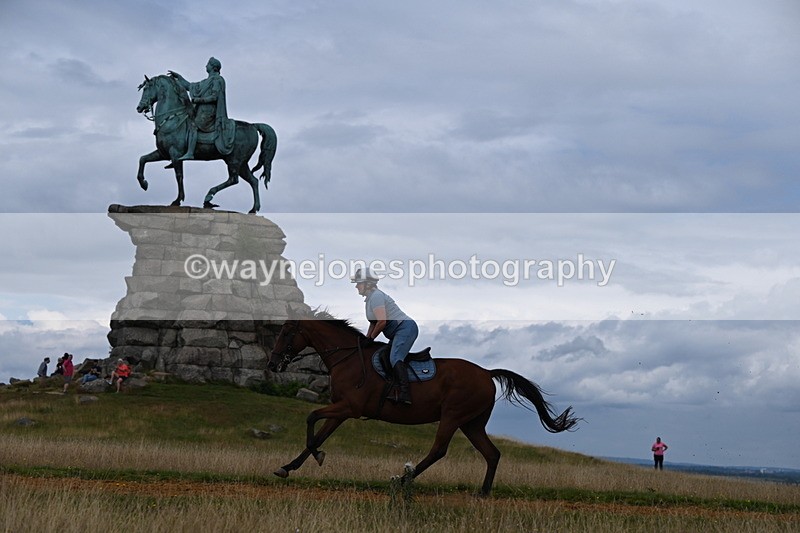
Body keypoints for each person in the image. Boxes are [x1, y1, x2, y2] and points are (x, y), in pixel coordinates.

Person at [352, 267, 418, 405]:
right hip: (399, 331)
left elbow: (382, 322)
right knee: (383, 356)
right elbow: (373, 323)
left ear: (368, 284)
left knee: (395, 358)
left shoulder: (376, 296)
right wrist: (366, 339)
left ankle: (405, 394)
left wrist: (371, 339)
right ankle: (393, 386)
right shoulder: (369, 299)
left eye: (359, 283)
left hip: (406, 329)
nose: (356, 286)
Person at [168, 57, 235, 161]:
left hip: (209, 112)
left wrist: (199, 100)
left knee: (192, 125)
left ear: (213, 67)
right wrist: (179, 78)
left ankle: (190, 153)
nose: (206, 66)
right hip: (200, 111)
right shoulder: (205, 82)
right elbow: (190, 86)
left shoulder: (217, 80)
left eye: (208, 64)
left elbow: (214, 97)